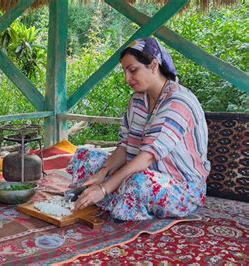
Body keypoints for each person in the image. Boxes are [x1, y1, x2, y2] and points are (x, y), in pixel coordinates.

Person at [71, 37, 210, 220]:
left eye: (133, 70)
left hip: (182, 186)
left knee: (137, 182)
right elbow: (125, 146)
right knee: (85, 156)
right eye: (125, 71)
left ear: (153, 66)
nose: (127, 78)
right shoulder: (137, 101)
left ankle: (109, 197)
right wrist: (102, 173)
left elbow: (146, 158)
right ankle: (112, 197)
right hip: (141, 170)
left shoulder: (178, 101)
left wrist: (105, 187)